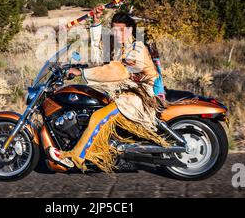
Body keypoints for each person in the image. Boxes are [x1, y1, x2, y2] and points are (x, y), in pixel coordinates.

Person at [48, 10, 168, 171]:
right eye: (113, 30)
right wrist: (96, 23)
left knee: (99, 117)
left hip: (139, 98)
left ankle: (76, 156)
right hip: (126, 93)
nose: (115, 34)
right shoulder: (120, 47)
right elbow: (100, 56)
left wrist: (82, 73)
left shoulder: (137, 48)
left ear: (130, 30)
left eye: (120, 30)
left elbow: (118, 71)